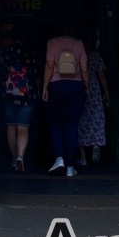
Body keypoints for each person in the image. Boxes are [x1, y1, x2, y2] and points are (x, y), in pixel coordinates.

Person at [41, 25, 89, 177]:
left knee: (56, 123)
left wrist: (45, 87)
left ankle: (59, 158)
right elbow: (84, 68)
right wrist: (86, 87)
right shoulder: (79, 44)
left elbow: (49, 65)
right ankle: (70, 167)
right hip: (75, 86)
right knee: (72, 126)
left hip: (56, 85)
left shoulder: (52, 42)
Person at [0, 27, 35, 172]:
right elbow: (34, 73)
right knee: (23, 128)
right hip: (27, 96)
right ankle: (21, 156)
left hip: (9, 95)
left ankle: (13, 159)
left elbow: (0, 71)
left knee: (11, 127)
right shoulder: (29, 51)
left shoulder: (6, 51)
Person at [77, 42, 110, 166]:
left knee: (80, 121)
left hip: (80, 88)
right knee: (96, 118)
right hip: (94, 90)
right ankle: (96, 144)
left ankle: (83, 157)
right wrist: (106, 92)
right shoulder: (95, 55)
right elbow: (101, 75)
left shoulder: (77, 54)